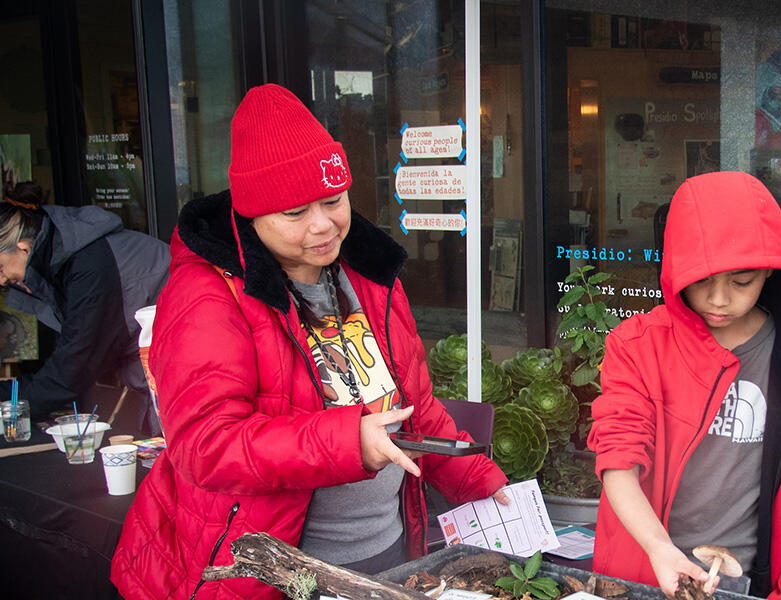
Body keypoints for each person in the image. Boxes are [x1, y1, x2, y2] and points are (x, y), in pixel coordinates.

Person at [111, 84, 509, 600]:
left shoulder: (367, 274)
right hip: (271, 570)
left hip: (386, 553)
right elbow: (206, 446)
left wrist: (480, 479)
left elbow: (414, 407)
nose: (323, 225)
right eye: (295, 213)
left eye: (333, 200)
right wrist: (349, 442)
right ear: (254, 216)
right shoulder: (207, 296)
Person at [588, 171, 781, 599]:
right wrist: (659, 548)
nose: (719, 299)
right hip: (644, 569)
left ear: (770, 269)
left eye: (741, 282)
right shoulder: (638, 346)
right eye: (700, 280)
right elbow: (618, 460)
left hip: (750, 581)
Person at [0, 180, 168, 432]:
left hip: (178, 373)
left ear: (23, 248)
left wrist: (11, 400)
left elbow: (70, 372)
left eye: (0, 268)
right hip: (159, 374)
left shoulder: (90, 268)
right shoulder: (67, 258)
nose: (2, 280)